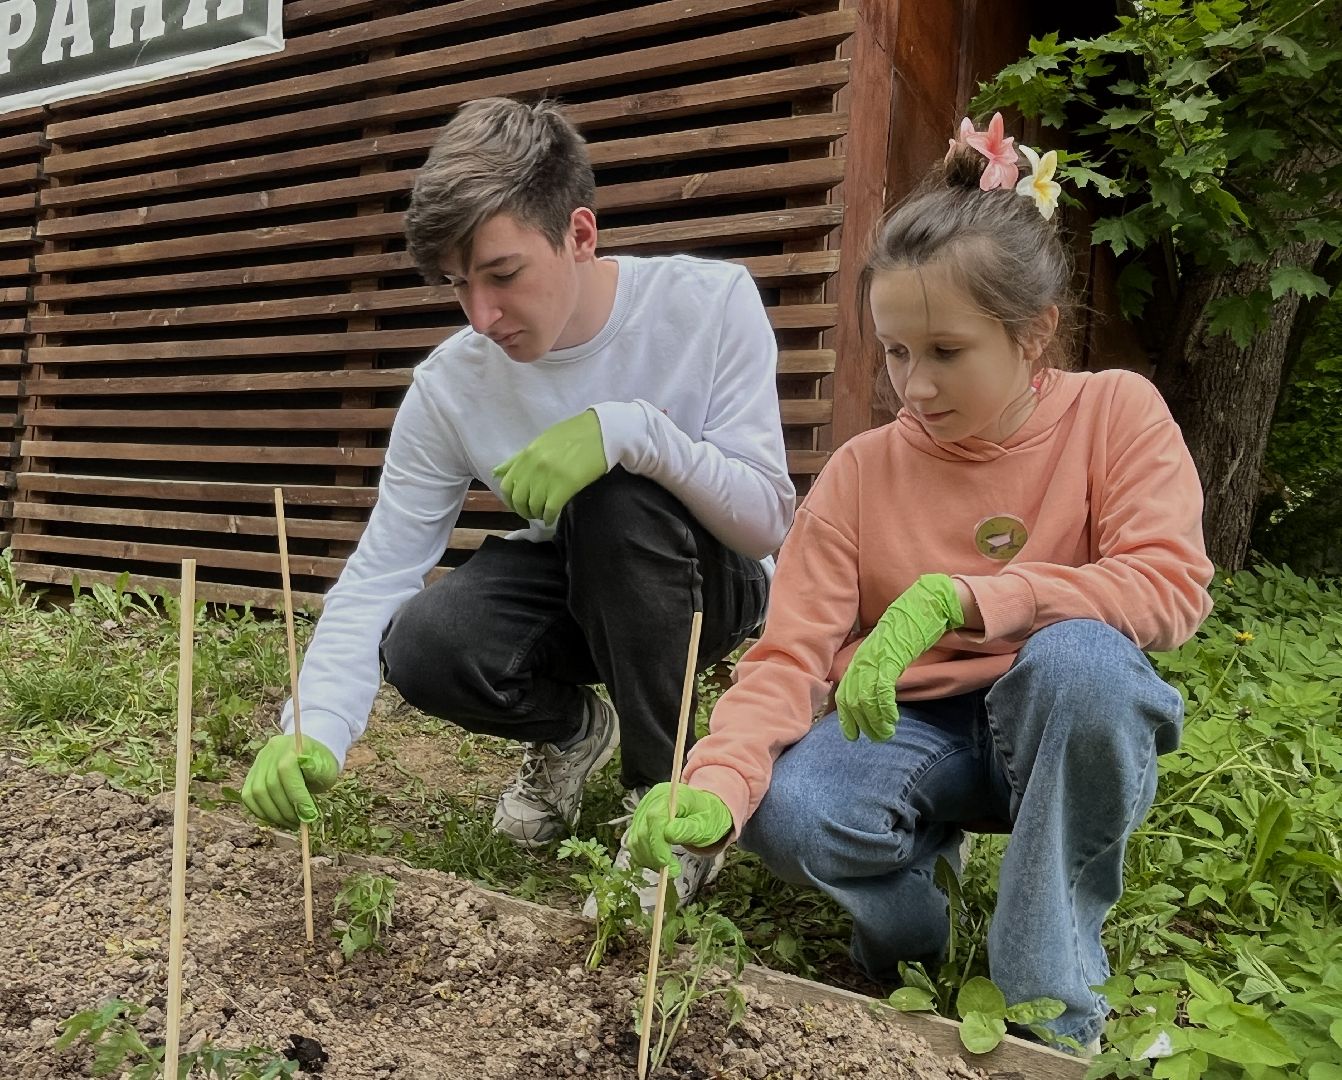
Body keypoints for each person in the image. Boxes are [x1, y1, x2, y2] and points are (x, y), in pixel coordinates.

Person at [622, 113, 1214, 1052]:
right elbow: (790, 656)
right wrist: (720, 781)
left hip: (1056, 721)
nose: (915, 387)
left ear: (1034, 336)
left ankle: (1049, 1006)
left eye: (945, 353)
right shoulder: (862, 472)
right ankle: (913, 929)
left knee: (1086, 666)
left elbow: (1169, 588)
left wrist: (977, 596)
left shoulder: (1115, 414)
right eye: (896, 352)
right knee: (792, 809)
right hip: (917, 732)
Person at [239, 96, 795, 906]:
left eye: (502, 275)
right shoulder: (450, 386)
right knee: (428, 640)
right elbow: (383, 569)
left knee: (616, 498)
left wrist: (632, 431)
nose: (481, 315)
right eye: (458, 285)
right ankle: (576, 734)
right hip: (583, 579)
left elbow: (765, 519)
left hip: (715, 584)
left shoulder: (706, 305)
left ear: (579, 234)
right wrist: (315, 722)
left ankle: (666, 798)